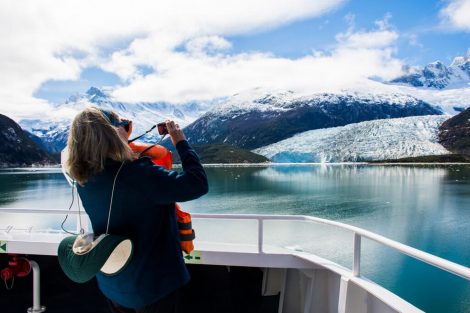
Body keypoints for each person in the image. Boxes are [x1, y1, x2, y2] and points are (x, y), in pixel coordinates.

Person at [65, 106, 208, 313]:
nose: (127, 130)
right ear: (111, 134)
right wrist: (181, 142)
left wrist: (121, 137)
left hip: (112, 279)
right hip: (153, 285)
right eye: (124, 126)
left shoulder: (83, 179)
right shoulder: (138, 175)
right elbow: (197, 183)